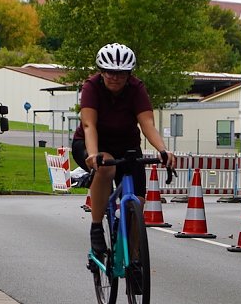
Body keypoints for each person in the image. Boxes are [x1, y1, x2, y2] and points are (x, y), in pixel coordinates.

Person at [71, 43, 176, 255]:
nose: (115, 77)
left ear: (129, 74)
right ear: (101, 71)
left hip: (127, 147)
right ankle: (97, 227)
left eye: (121, 73)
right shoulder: (91, 87)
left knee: (138, 201)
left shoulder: (136, 89)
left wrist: (164, 150)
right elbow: (89, 125)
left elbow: (147, 124)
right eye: (110, 72)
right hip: (92, 144)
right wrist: (92, 154)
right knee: (106, 167)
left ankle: (134, 257)